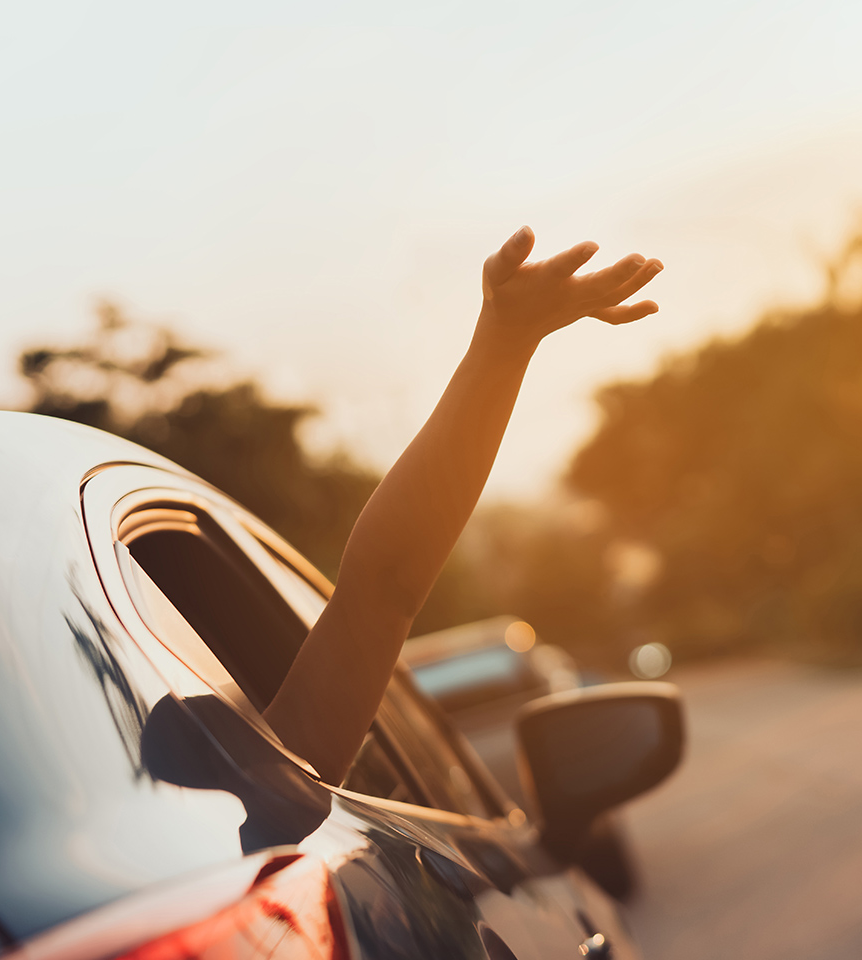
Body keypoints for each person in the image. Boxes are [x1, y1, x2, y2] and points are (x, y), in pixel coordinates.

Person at [263, 226, 663, 783]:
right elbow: (384, 589)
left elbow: (384, 588)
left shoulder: (261, 788)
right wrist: (507, 342)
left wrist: (508, 342)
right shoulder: (263, 791)